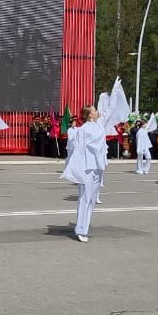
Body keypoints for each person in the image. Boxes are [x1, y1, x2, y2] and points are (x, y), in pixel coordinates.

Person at [62, 104, 107, 243]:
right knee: (85, 198)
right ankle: (81, 229)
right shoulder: (83, 130)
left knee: (92, 199)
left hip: (98, 166)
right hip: (87, 167)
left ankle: (83, 227)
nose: (97, 112)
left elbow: (110, 111)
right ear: (89, 115)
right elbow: (78, 150)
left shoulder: (99, 125)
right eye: (94, 110)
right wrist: (75, 169)